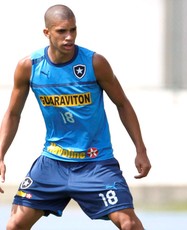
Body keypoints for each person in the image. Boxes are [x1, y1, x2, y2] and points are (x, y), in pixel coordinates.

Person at [0, 4, 151, 230]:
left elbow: (122, 104)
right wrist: (0, 155)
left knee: (128, 223)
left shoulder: (94, 63)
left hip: (96, 162)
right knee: (15, 225)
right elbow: (13, 113)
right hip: (52, 162)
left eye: (73, 30)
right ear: (47, 33)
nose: (69, 37)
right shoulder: (29, 67)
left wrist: (140, 149)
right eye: (62, 31)